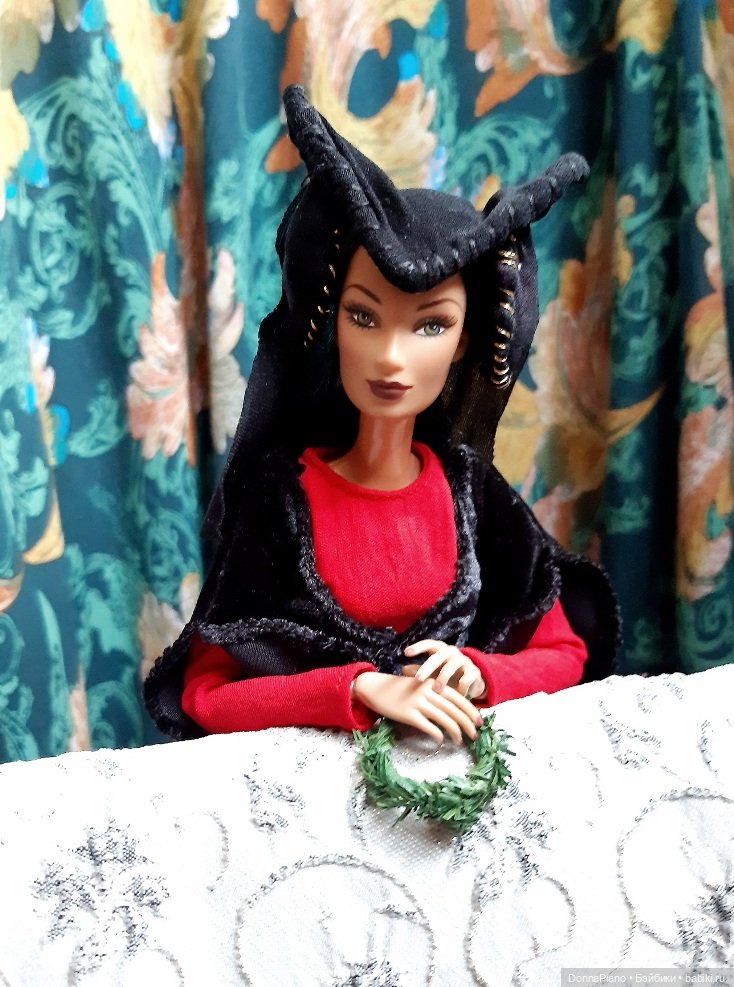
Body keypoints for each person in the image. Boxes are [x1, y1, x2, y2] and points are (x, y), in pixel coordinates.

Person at [144, 86, 619, 745]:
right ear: (333, 322)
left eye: (431, 325)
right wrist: (358, 688)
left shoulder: (471, 491)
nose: (392, 357)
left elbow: (566, 652)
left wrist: (483, 673)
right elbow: (205, 693)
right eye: (364, 316)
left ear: (464, 342)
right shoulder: (281, 497)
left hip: (456, 790)